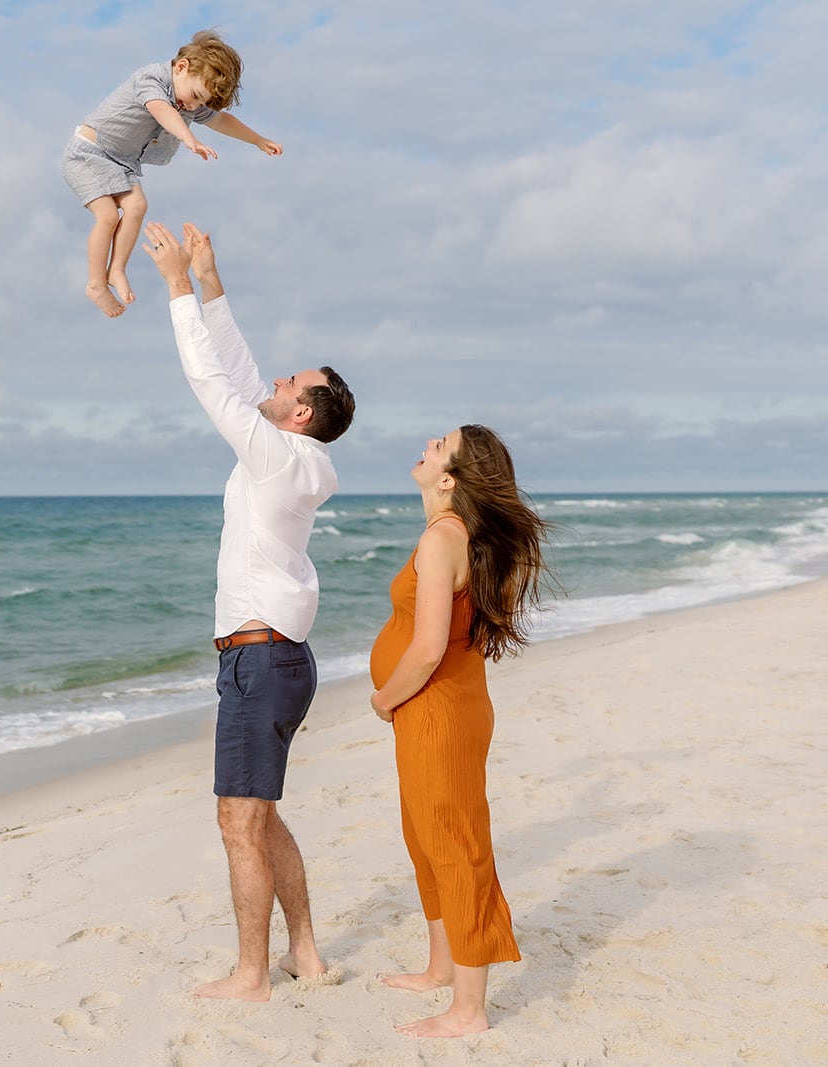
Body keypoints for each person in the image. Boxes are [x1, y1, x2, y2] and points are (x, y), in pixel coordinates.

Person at [142, 219, 355, 1001]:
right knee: (260, 814)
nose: (272, 386)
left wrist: (175, 289)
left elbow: (214, 382)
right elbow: (241, 372)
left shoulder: (272, 456)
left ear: (301, 412)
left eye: (285, 387)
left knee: (239, 820)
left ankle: (250, 974)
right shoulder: (301, 456)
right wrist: (212, 277)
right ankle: (306, 950)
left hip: (257, 658)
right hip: (276, 659)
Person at [368, 424, 554, 1037]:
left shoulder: (443, 538)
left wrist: (383, 698)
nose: (424, 443)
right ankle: (440, 967)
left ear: (448, 479)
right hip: (438, 706)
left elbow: (424, 651)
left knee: (453, 843)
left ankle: (469, 1010)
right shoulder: (448, 534)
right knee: (424, 836)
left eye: (437, 444)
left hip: (435, 707)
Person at [64, 30, 283, 319]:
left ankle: (116, 269)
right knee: (107, 216)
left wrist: (257, 139)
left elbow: (221, 120)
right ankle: (96, 284)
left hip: (121, 162)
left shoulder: (189, 102)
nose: (192, 106)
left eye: (199, 103)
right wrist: (189, 139)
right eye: (194, 96)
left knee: (138, 206)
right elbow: (160, 109)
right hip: (88, 152)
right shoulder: (151, 79)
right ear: (181, 68)